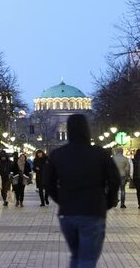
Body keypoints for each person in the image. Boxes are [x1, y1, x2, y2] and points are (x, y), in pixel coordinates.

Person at [45, 114, 120, 268]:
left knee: (77, 255)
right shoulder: (100, 154)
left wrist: (61, 199)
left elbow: (47, 182)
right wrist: (109, 201)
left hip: (68, 213)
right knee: (87, 259)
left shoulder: (58, 154)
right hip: (93, 211)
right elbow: (114, 180)